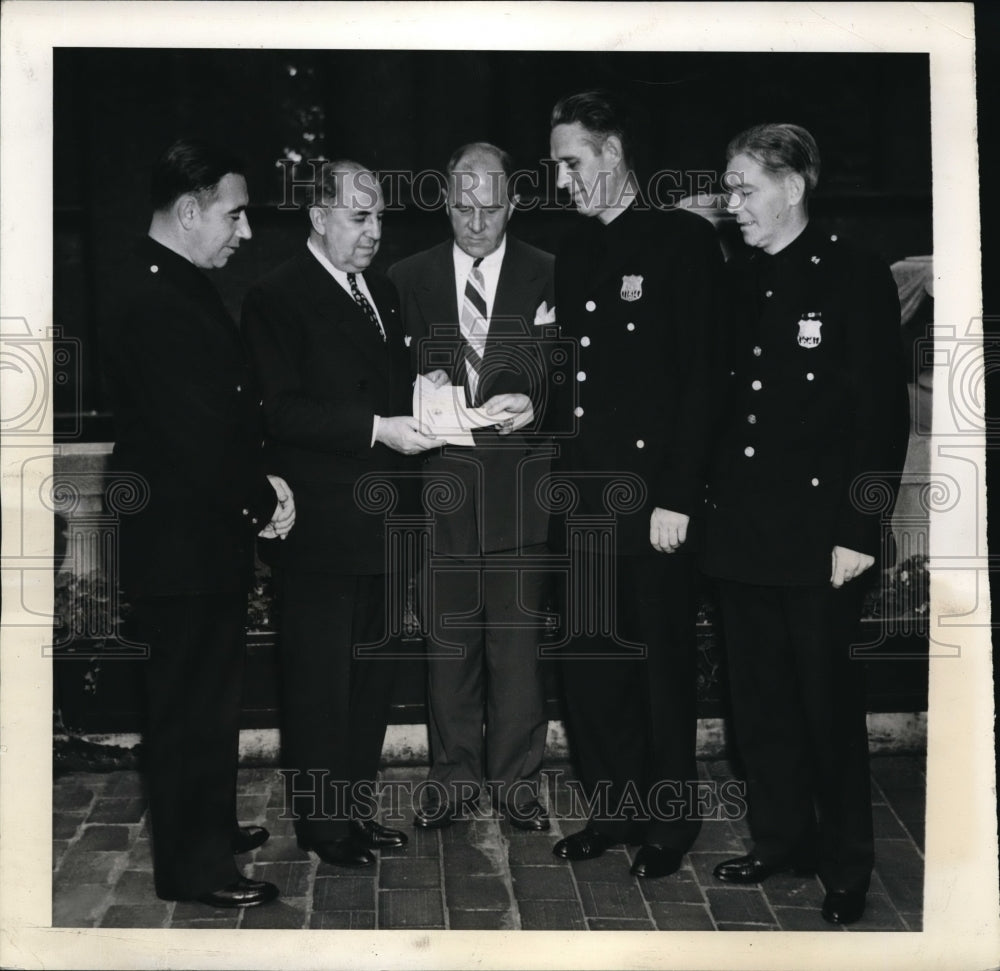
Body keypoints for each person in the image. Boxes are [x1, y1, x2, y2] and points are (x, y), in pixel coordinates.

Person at [702, 123, 910, 925]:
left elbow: (880, 417)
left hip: (823, 537)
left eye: (745, 187)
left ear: (793, 187)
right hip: (745, 530)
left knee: (827, 706)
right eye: (728, 186)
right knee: (759, 704)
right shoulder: (737, 278)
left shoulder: (854, 275)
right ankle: (781, 837)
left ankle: (847, 862)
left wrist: (860, 530)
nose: (734, 202)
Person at [101, 138, 296, 909]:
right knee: (189, 704)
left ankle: (206, 823)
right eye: (233, 214)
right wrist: (262, 501)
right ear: (189, 212)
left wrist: (253, 488)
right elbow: (199, 433)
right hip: (184, 540)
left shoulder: (170, 283)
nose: (244, 232)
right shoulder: (157, 299)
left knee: (206, 697)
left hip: (191, 534)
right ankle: (195, 866)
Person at [546, 91, 724, 878]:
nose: (562, 180)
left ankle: (667, 826)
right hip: (583, 495)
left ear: (612, 154)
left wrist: (679, 494)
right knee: (590, 664)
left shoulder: (682, 242)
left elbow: (703, 379)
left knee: (658, 670)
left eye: (572, 162)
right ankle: (611, 810)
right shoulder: (576, 247)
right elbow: (582, 380)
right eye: (557, 164)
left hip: (653, 502)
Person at [242, 161, 438, 868]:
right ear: (318, 217)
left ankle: (354, 811)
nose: (374, 232)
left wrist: (431, 395)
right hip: (322, 527)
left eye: (379, 216)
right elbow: (281, 409)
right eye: (359, 218)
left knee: (370, 681)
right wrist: (378, 427)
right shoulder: (276, 295)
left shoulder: (379, 292)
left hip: (385, 524)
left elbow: (387, 390)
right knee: (321, 684)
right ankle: (324, 826)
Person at [388, 142, 555, 831]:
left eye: (491, 207)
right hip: (442, 489)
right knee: (449, 647)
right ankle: (452, 779)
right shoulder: (407, 276)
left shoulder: (551, 270)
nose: (477, 222)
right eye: (464, 205)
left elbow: (573, 373)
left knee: (516, 652)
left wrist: (537, 400)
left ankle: (518, 783)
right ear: (445, 200)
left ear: (511, 203)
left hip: (522, 487)